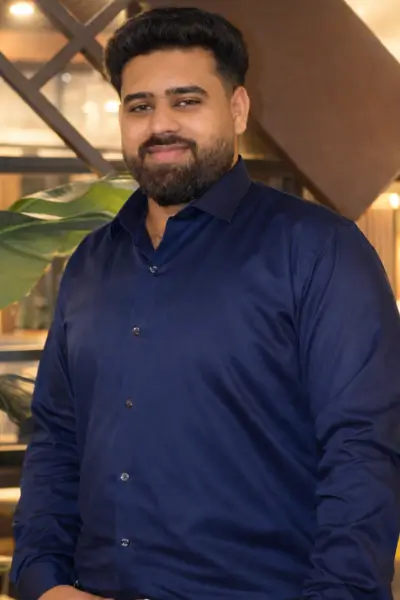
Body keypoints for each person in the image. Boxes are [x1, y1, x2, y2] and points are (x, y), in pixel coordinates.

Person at [10, 6, 400, 600]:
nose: (160, 125)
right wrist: (43, 580)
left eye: (187, 101)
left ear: (238, 109)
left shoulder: (319, 250)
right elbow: (57, 440)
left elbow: (364, 451)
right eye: (140, 106)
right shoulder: (92, 261)